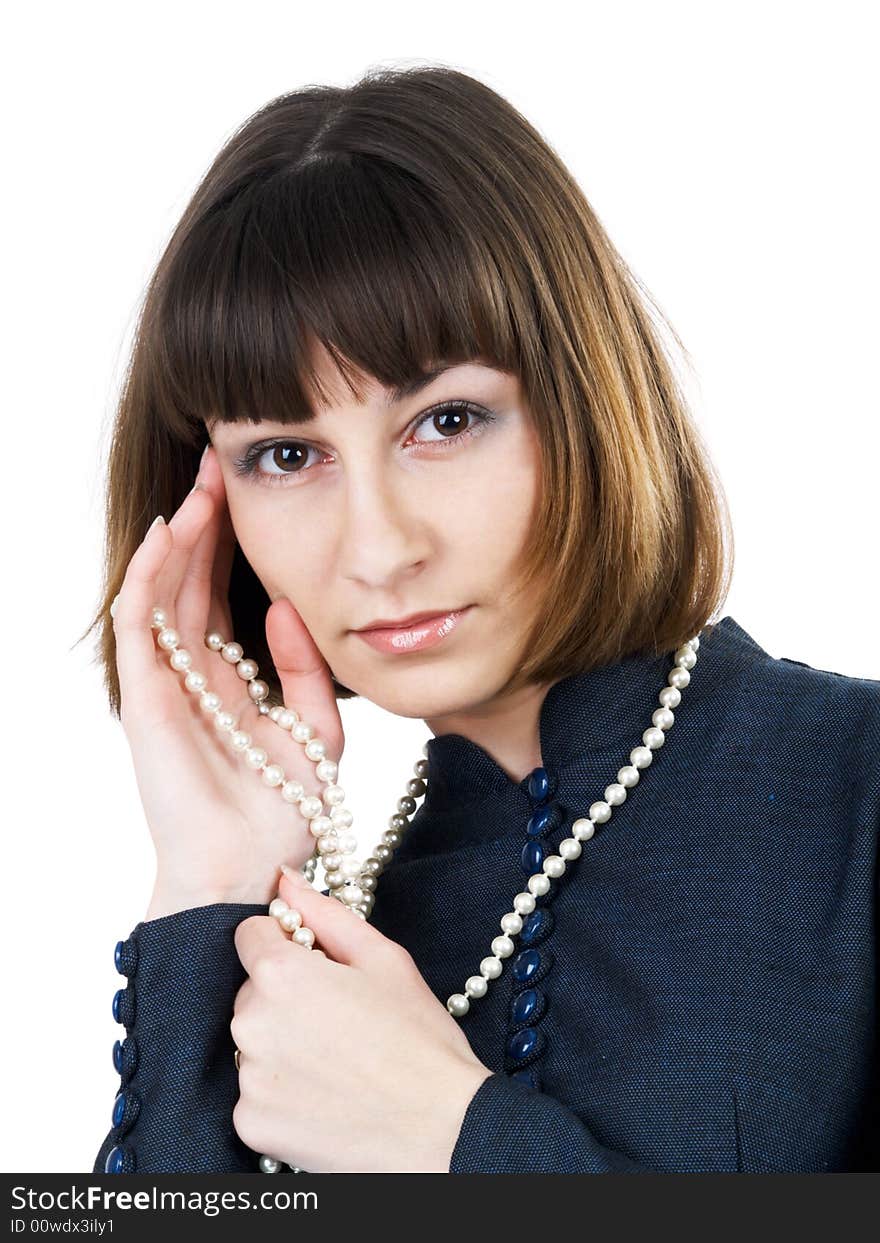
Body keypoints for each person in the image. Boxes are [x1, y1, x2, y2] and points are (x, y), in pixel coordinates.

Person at [84, 65, 879, 1175]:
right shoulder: (314, 935)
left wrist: (458, 1141)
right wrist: (211, 886)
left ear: (582, 399)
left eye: (446, 420)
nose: (377, 546)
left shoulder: (852, 786)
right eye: (285, 454)